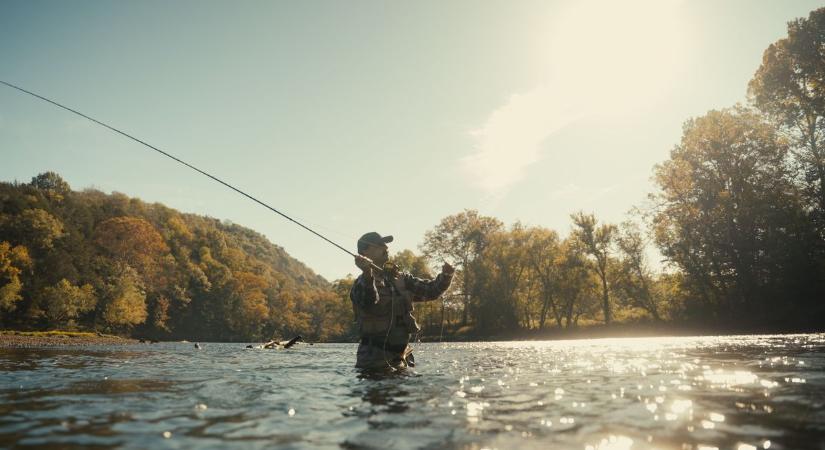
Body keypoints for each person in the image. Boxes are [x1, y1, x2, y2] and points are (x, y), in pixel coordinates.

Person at [350, 232, 454, 369]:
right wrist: (367, 274)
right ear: (365, 251)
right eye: (380, 244)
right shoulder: (360, 283)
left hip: (401, 359)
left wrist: (447, 275)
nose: (386, 247)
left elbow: (431, 291)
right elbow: (368, 301)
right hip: (372, 360)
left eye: (386, 245)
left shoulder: (402, 279)